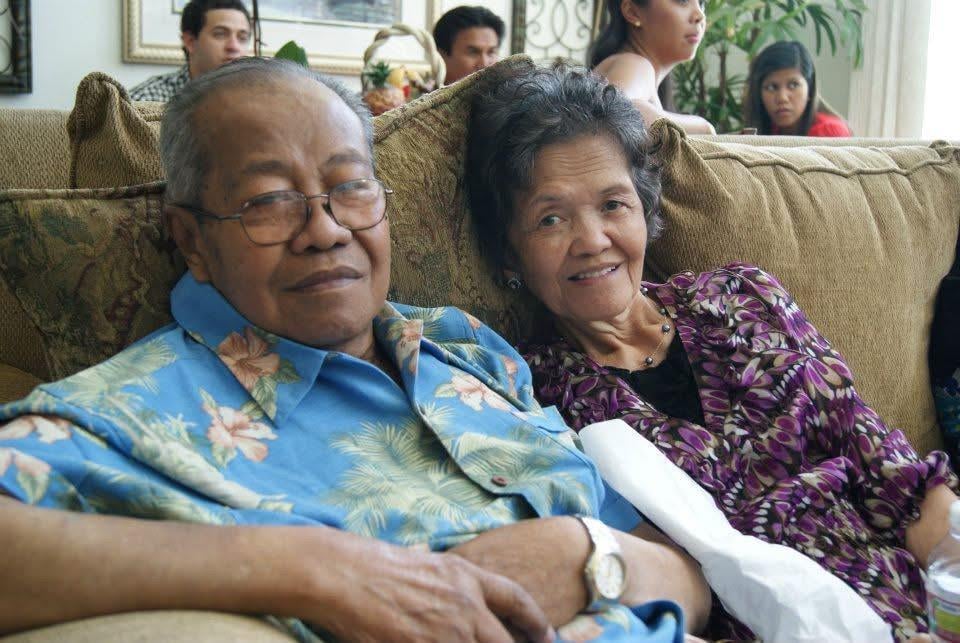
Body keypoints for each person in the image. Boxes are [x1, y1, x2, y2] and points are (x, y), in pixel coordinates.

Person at [0, 57, 711, 642]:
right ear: (191, 241)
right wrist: (313, 569)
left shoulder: (464, 347)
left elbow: (688, 575)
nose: (325, 228)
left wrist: (590, 557)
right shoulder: (133, 409)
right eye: (270, 201)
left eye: (350, 188)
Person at [465, 62, 958, 641]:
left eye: (613, 205)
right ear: (507, 255)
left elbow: (897, 478)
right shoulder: (532, 394)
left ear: (646, 213)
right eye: (551, 218)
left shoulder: (744, 297)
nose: (593, 240)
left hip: (918, 598)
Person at [589, 0, 714, 134]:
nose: (699, 15)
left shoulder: (640, 72)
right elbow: (617, 111)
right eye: (682, 1)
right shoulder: (634, 64)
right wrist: (703, 127)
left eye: (701, 3)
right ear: (632, 12)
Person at [128, 0, 251, 102]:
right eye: (220, 34)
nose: (234, 46)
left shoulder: (256, 98)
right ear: (190, 41)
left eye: (242, 38)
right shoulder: (146, 100)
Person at [743, 40, 852, 137]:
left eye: (793, 85)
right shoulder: (768, 131)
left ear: (810, 88)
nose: (782, 98)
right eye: (772, 87)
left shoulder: (828, 132)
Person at [433, 5, 505, 85]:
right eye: (473, 52)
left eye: (491, 52)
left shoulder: (512, 95)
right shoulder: (421, 94)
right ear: (441, 56)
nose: (484, 64)